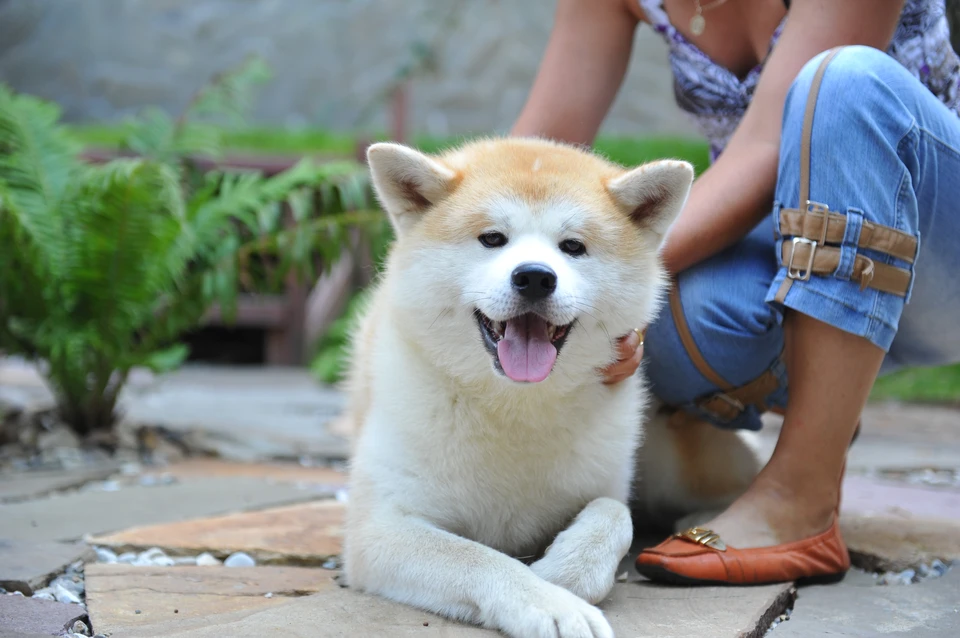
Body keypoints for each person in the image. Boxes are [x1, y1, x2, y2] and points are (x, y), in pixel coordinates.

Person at [510, 0, 960, 585]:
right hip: (794, 250)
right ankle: (824, 398)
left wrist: (603, 280)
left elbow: (762, 149)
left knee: (844, 82)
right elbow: (536, 156)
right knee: (668, 324)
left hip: (940, 251)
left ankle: (803, 494)